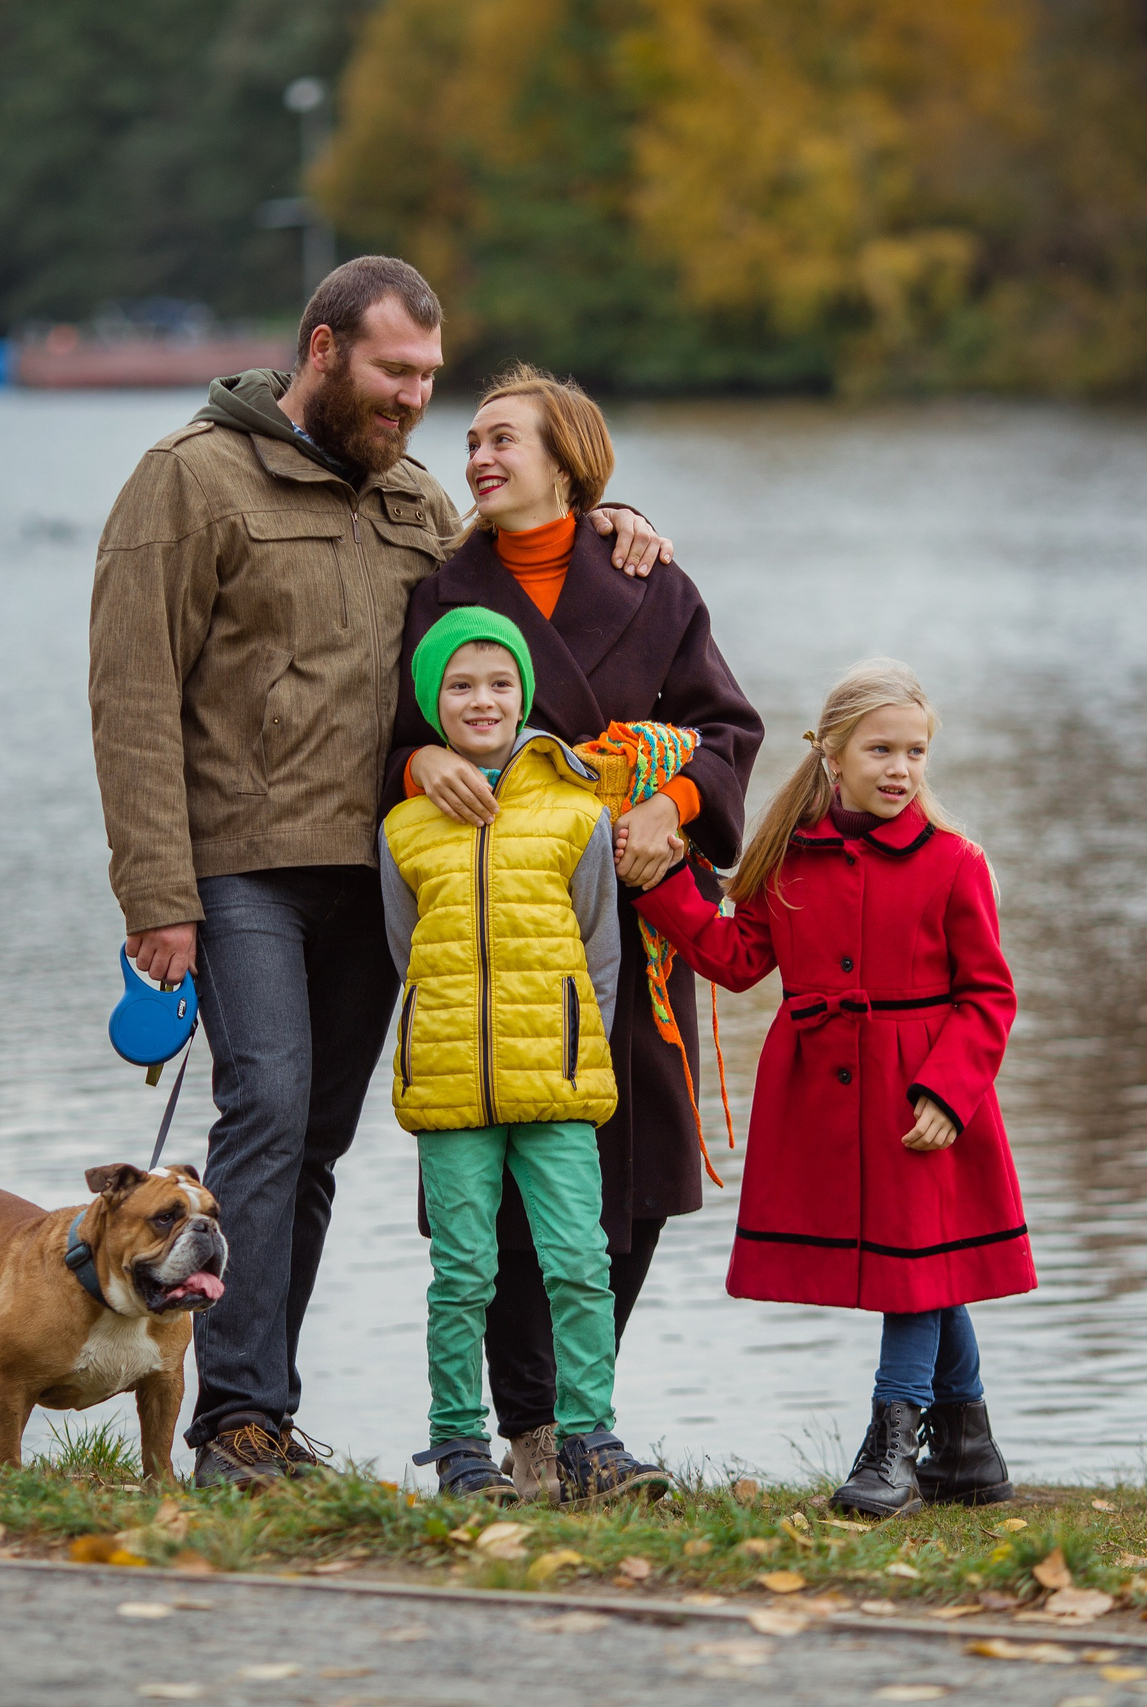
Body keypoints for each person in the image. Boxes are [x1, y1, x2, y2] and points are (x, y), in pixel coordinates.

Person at [88, 258, 673, 1490]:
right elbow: (131, 696)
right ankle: (233, 1424)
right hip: (239, 866)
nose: (416, 399)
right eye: (394, 371)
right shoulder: (188, 480)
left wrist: (607, 519)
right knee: (266, 1108)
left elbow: (506, 583)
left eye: (427, 377)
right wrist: (157, 896)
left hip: (377, 872)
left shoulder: (412, 500)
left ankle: (267, 1415)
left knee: (314, 1140)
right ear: (321, 349)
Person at [382, 365, 762, 1498]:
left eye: (505, 440)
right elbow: (393, 733)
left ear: (569, 460)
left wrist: (671, 807)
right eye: (473, 441)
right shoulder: (446, 589)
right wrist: (422, 757)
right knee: (495, 1178)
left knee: (633, 1168)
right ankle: (531, 1430)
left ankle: (578, 1416)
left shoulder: (653, 581)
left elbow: (727, 731)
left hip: (631, 912)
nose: (478, 458)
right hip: (500, 926)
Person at [626, 659, 1032, 1518]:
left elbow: (989, 994)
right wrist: (660, 885)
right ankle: (969, 1450)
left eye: (915, 751)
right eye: (881, 749)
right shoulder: (788, 860)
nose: (900, 768)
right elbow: (737, 958)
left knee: (912, 1267)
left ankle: (893, 1445)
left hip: (920, 1094)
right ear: (832, 755)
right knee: (920, 1261)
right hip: (823, 1093)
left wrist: (948, 1091)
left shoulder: (954, 862)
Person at [378, 610, 674, 1505]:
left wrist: (575, 1045)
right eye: (461, 685)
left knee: (579, 1261)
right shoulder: (404, 828)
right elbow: (406, 951)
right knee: (462, 1272)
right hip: (451, 1087)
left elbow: (600, 951)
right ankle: (459, 1449)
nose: (483, 700)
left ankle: (591, 1440)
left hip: (558, 1081)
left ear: (524, 694)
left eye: (500, 683)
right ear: (432, 701)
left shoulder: (578, 814)